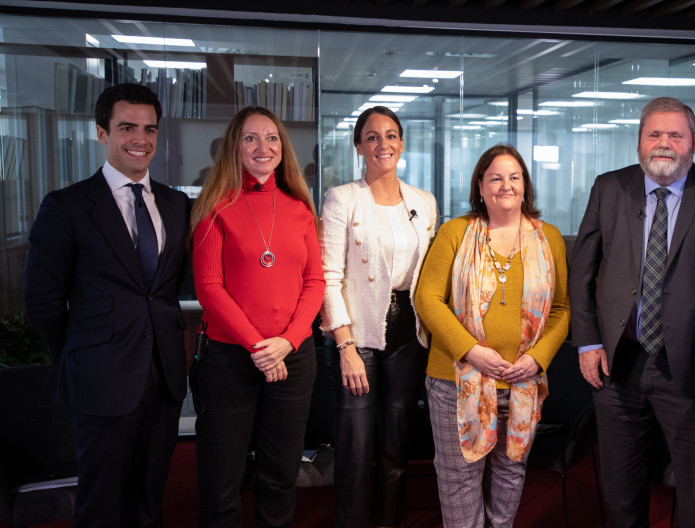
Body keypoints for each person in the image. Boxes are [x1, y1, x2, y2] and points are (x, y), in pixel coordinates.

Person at [569, 96, 695, 527]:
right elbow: (583, 272)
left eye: (675, 134)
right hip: (618, 361)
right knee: (620, 483)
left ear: (694, 142)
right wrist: (589, 342)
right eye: (655, 134)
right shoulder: (609, 187)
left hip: (693, 365)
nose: (664, 143)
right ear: (639, 143)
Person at [24, 83, 190, 527]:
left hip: (164, 377)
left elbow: (174, 285)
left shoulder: (176, 205)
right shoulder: (67, 206)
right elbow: (42, 301)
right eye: (127, 128)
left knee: (149, 501)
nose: (141, 139)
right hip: (100, 378)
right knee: (99, 504)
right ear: (101, 133)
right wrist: (81, 351)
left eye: (150, 129)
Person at [415, 144, 570, 528]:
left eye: (514, 177)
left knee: (510, 473)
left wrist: (537, 359)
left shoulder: (549, 238)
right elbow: (427, 299)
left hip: (521, 382)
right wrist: (471, 352)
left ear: (525, 186)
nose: (506, 185)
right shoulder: (457, 232)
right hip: (456, 379)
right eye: (496, 178)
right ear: (480, 187)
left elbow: (563, 309)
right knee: (458, 479)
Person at [189, 106, 325, 527]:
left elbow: (315, 282)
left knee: (281, 473)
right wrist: (258, 347)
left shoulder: (301, 209)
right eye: (250, 138)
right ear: (235, 146)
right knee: (221, 476)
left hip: (293, 356)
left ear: (282, 148)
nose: (262, 147)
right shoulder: (214, 207)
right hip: (229, 360)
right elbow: (209, 288)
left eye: (271, 138)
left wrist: (288, 341)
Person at [318, 105, 438, 528]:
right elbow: (328, 276)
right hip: (358, 334)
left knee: (395, 450)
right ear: (359, 147)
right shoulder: (342, 198)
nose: (382, 144)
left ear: (401, 144)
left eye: (390, 136)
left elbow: (427, 278)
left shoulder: (424, 203)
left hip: (409, 335)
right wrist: (345, 345)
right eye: (372, 136)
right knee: (355, 451)